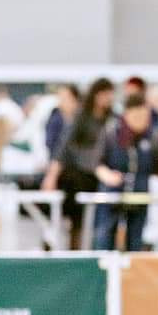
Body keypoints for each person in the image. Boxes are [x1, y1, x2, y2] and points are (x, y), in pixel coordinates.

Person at [42, 77, 116, 249]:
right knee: (72, 215)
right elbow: (64, 148)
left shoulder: (112, 120)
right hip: (78, 177)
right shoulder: (81, 119)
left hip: (100, 177)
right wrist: (52, 175)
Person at [93, 93, 158, 252]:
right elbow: (97, 163)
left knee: (135, 242)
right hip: (113, 197)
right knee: (105, 239)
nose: (141, 120)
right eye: (137, 116)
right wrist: (108, 176)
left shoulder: (150, 139)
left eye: (145, 116)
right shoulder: (111, 134)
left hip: (139, 197)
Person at [45, 83, 81, 159]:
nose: (62, 101)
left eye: (65, 98)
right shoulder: (54, 118)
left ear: (75, 100)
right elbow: (50, 143)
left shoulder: (83, 118)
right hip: (58, 161)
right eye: (60, 97)